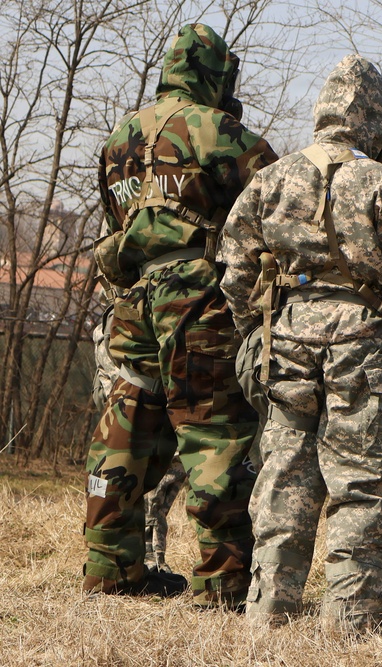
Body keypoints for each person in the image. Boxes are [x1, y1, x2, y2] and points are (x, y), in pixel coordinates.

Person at [218, 54, 382, 633]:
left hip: (288, 337)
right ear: (378, 121)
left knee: (284, 472)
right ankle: (352, 615)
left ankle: (269, 610)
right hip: (360, 342)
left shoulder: (271, 178)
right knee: (364, 479)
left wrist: (255, 335)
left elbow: (235, 270)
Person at [83, 23, 278, 607]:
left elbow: (114, 224)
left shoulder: (119, 136)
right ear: (216, 74)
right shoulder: (219, 130)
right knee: (214, 428)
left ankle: (110, 567)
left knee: (128, 422)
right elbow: (277, 199)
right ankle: (222, 579)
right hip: (196, 293)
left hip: (133, 296)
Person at [91, 294, 188, 575]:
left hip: (137, 326)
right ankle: (140, 562)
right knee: (135, 473)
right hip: (132, 342)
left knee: (159, 474)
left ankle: (139, 560)